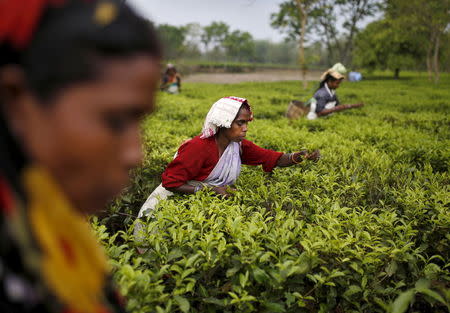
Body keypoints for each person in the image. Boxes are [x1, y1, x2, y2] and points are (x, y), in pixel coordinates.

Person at [0, 1, 161, 312]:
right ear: (16, 102)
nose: (135, 154)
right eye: (114, 120)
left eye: (139, 120)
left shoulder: (49, 229)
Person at [138, 96, 320, 218]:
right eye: (240, 123)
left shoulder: (238, 146)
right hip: (165, 210)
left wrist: (301, 156)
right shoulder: (198, 147)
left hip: (200, 211)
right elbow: (171, 182)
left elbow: (273, 158)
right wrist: (210, 190)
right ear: (224, 123)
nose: (245, 128)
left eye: (246, 123)